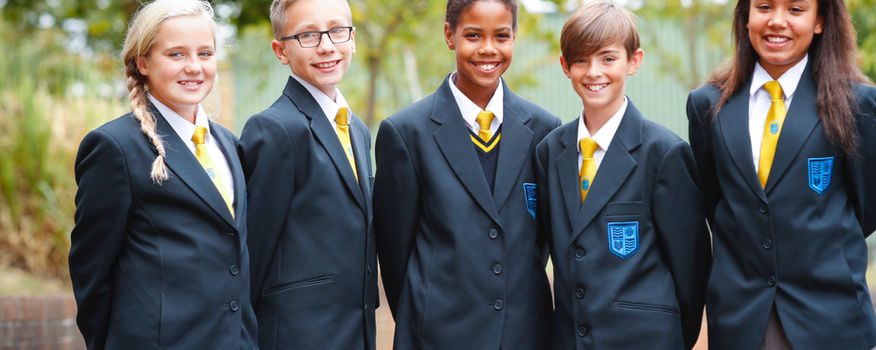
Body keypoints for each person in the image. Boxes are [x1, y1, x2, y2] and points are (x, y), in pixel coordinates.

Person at [685, 0, 876, 348]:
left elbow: (869, 209)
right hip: (740, 321)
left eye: (796, 10)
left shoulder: (856, 103)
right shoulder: (708, 104)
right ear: (745, 17)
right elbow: (715, 203)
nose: (777, 21)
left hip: (831, 320)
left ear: (820, 21)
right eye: (764, 7)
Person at [69, 0, 258, 348]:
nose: (194, 67)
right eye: (176, 54)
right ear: (143, 62)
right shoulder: (115, 147)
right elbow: (91, 274)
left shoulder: (230, 145)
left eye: (205, 53)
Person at [373, 0, 560, 348]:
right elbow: (395, 253)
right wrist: (426, 314)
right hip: (438, 334)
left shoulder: (545, 130)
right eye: (473, 35)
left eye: (501, 36)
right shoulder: (406, 133)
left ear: (514, 37)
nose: (488, 49)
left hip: (525, 334)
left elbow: (540, 242)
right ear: (449, 35)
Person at [533, 2, 711, 349]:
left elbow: (692, 268)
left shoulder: (664, 152)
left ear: (634, 60)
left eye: (607, 58)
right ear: (564, 66)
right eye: (581, 60)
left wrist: (672, 337)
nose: (594, 72)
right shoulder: (550, 151)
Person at [237, 0, 376, 348]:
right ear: (280, 51)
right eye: (308, 35)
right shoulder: (274, 129)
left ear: (353, 39)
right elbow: (253, 251)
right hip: (298, 334)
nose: (326, 45)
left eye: (336, 30)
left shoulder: (356, 129)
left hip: (355, 331)